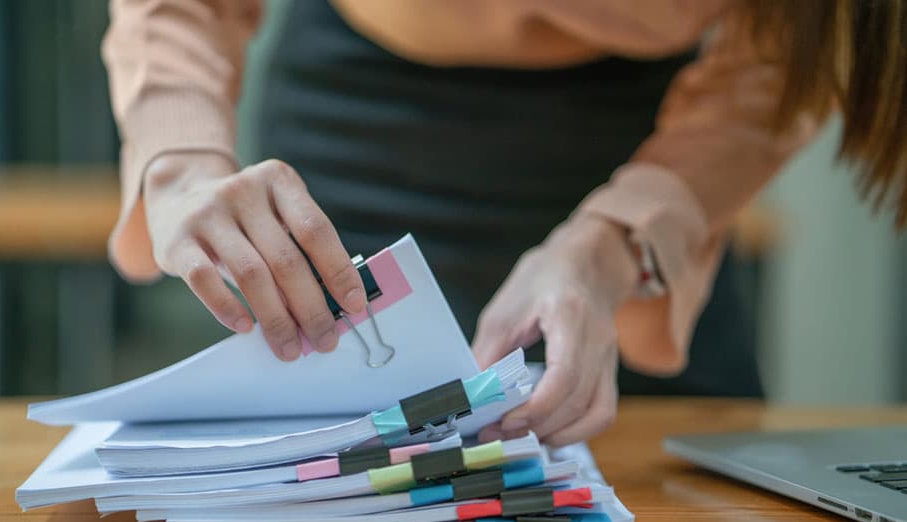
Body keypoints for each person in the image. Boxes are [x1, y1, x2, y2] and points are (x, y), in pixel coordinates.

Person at [101, 0, 906, 446]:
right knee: (323, 478)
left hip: (660, 143)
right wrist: (179, 155)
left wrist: (616, 243)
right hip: (359, 112)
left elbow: (792, 51)